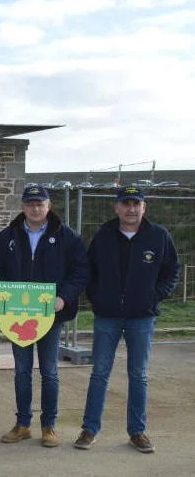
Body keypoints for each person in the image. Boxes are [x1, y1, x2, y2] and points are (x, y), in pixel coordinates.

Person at [74, 186, 180, 453]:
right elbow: (90, 270)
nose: (131, 209)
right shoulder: (104, 235)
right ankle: (89, 429)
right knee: (99, 373)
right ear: (116, 207)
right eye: (126, 203)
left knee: (138, 375)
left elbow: (172, 271)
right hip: (107, 316)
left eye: (136, 204)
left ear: (144, 207)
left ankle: (137, 431)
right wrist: (98, 298)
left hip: (141, 317)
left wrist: (154, 296)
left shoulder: (159, 236)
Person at [0, 184, 89, 448]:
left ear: (48, 206)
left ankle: (49, 426)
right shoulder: (7, 235)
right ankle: (23, 424)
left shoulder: (68, 237)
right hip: (16, 317)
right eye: (30, 204)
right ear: (23, 207)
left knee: (49, 371)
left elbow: (80, 272)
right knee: (22, 371)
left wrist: (64, 297)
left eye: (39, 204)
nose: (35, 208)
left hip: (49, 315)